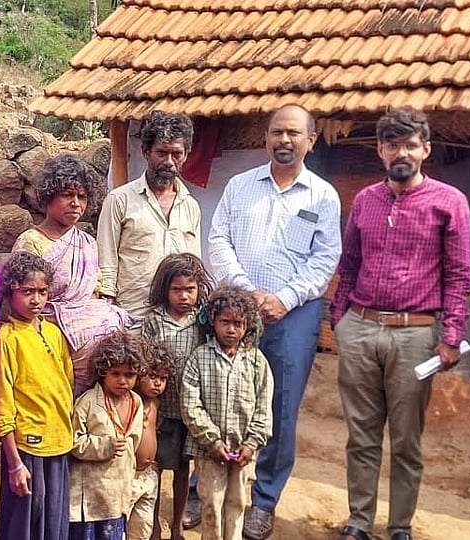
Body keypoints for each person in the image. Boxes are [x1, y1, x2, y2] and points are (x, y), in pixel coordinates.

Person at [329, 108, 470, 540]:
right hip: (361, 328)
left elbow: (460, 274)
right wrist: (341, 321)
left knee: (407, 439)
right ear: (380, 149)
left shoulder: (449, 202)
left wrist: (451, 336)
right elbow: (349, 264)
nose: (401, 153)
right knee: (361, 435)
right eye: (392, 145)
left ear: (425, 149)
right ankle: (358, 521)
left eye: (410, 145)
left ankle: (400, 526)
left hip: (415, 333)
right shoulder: (365, 201)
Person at [207, 103, 342, 539]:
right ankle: (201, 487)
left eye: (294, 133)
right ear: (265, 137)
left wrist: (284, 298)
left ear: (311, 141)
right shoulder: (239, 186)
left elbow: (325, 258)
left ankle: (264, 500)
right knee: (220, 395)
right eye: (277, 132)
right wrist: (246, 292)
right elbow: (218, 239)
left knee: (280, 408)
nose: (284, 140)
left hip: (294, 315)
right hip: (235, 310)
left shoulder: (322, 196)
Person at [14, 154, 133, 394]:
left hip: (96, 350)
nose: (76, 203)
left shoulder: (87, 242)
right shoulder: (31, 242)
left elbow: (93, 292)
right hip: (49, 339)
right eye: (68, 195)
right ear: (49, 196)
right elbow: (22, 298)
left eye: (82, 196)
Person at [180, 285, 274, 540]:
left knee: (237, 502)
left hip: (243, 451)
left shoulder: (257, 362)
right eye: (225, 322)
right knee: (211, 502)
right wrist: (212, 440)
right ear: (213, 320)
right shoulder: (199, 359)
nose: (231, 329)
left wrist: (252, 443)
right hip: (209, 450)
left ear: (248, 325)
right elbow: (190, 406)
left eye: (238, 324)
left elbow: (264, 408)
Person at [0, 252, 74, 540]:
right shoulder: (6, 339)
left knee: (54, 525)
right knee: (25, 525)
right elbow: (2, 405)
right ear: (9, 293)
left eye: (42, 291)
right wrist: (14, 463)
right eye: (27, 292)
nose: (36, 300)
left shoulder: (53, 333)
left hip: (59, 443)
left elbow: (67, 384)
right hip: (27, 448)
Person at [97, 110, 202, 318]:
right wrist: (107, 310)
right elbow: (106, 263)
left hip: (177, 321)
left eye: (176, 154)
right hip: (133, 316)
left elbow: (194, 266)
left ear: (186, 155)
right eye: (161, 153)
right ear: (146, 152)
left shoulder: (190, 206)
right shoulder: (119, 200)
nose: (169, 162)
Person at [140, 253, 213, 535]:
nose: (184, 296)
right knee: (155, 469)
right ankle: (155, 525)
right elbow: (145, 361)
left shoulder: (202, 320)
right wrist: (149, 402)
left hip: (189, 411)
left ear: (198, 288)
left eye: (190, 289)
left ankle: (177, 525)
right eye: (176, 289)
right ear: (165, 289)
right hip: (161, 409)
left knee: (183, 469)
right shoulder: (154, 320)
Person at [69, 331, 150, 540]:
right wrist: (105, 446)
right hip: (89, 497)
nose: (123, 381)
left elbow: (133, 445)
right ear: (103, 371)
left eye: (129, 375)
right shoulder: (88, 401)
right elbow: (74, 441)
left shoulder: (136, 402)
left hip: (118, 493)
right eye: (116, 374)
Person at [126, 342, 175, 540]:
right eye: (152, 376)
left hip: (148, 472)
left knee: (142, 524)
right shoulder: (130, 401)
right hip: (128, 473)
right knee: (123, 520)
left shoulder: (155, 403)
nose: (158, 384)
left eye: (163, 379)